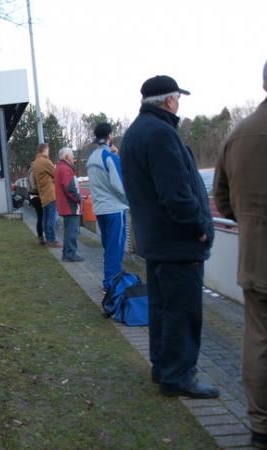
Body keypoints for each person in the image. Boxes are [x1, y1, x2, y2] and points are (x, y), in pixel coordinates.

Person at [120, 75, 218, 399]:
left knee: (162, 310)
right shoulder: (162, 134)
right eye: (178, 98)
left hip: (156, 242)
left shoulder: (135, 132)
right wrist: (200, 228)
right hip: (178, 243)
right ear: (170, 100)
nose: (179, 104)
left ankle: (162, 367)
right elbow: (176, 195)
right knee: (183, 313)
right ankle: (178, 377)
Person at [213, 60, 267, 449]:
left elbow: (222, 200)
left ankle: (260, 426)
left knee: (258, 340)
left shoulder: (239, 135)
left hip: (256, 256)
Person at [86, 122, 129, 291]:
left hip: (100, 209)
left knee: (108, 247)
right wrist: (130, 202)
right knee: (115, 248)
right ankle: (111, 285)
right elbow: (120, 185)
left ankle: (111, 280)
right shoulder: (110, 158)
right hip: (115, 209)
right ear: (110, 136)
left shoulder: (91, 159)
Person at [55, 147, 84, 262]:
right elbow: (69, 188)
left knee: (68, 231)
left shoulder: (59, 167)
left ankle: (66, 254)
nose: (73, 157)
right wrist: (78, 199)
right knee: (72, 231)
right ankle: (71, 254)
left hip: (64, 204)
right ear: (67, 156)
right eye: (72, 155)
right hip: (70, 205)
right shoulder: (66, 169)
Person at [33, 142, 61, 248]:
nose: (48, 152)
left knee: (46, 218)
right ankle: (52, 240)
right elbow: (56, 174)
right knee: (52, 217)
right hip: (50, 194)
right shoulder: (45, 161)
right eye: (48, 150)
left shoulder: (36, 162)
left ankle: (48, 238)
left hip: (43, 194)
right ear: (44, 150)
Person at [26, 158, 45, 244]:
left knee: (40, 216)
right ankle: (41, 237)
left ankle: (40, 236)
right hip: (36, 195)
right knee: (41, 216)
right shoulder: (34, 171)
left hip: (32, 196)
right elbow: (34, 186)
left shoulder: (30, 170)